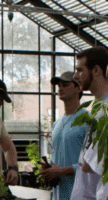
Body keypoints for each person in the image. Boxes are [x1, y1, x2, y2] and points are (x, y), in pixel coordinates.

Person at [39, 71, 87, 200]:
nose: (60, 88)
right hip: (59, 193)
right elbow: (57, 158)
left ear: (78, 88)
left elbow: (95, 161)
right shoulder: (57, 124)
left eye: (65, 85)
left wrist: (62, 171)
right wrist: (49, 169)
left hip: (81, 193)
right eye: (59, 85)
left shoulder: (88, 120)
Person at [71, 46, 108, 200]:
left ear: (96, 70)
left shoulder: (104, 111)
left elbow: (89, 165)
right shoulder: (97, 107)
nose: (75, 75)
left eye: (80, 70)